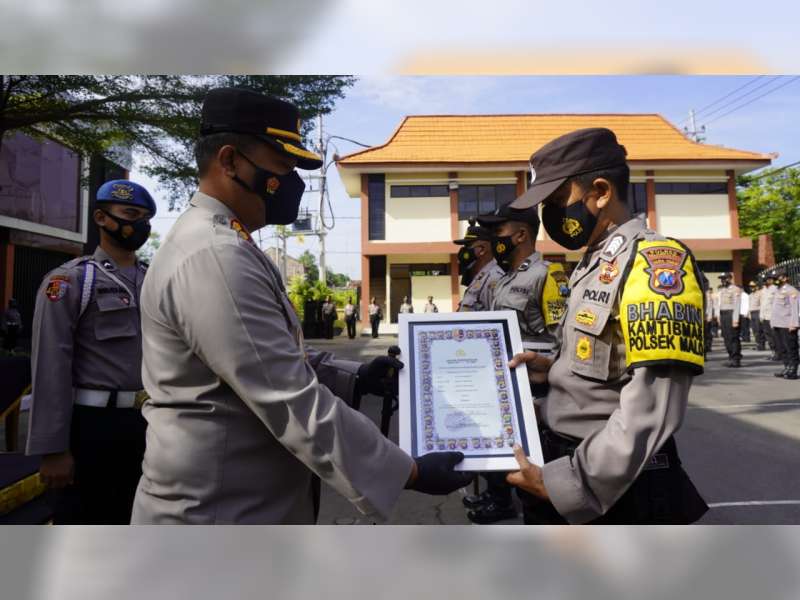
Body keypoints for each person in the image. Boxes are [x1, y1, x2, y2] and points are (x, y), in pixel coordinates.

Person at [131, 88, 472, 524]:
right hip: (217, 515)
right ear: (230, 161)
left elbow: (269, 355)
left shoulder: (228, 245)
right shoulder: (215, 255)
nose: (291, 183)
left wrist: (354, 377)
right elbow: (286, 395)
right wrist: (407, 470)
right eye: (281, 167)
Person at [504, 127, 708, 524]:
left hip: (613, 487)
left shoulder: (655, 263)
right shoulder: (594, 261)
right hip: (568, 461)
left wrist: (568, 485)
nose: (549, 217)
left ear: (600, 191)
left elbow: (653, 406)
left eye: (558, 200)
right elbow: (605, 359)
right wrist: (552, 368)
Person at [24, 179, 155, 524]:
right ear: (101, 217)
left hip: (149, 424)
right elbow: (50, 365)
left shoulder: (156, 281)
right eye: (129, 214)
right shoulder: (69, 281)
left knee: (141, 524)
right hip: (92, 427)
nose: (139, 224)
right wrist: (53, 448)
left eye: (145, 217)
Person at [461, 202, 568, 525]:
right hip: (508, 386)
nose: (494, 239)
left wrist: (549, 377)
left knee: (539, 474)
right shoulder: (501, 279)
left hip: (538, 392)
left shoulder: (548, 275)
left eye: (499, 233)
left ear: (521, 235)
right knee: (513, 460)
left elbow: (564, 342)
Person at [451, 219, 508, 522]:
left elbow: (495, 329)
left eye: (467, 248)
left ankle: (501, 501)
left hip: (486, 374)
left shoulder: (495, 278)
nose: (463, 254)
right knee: (482, 439)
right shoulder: (479, 278)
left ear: (482, 248)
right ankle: (492, 492)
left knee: (493, 439)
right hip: (472, 371)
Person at [770, 272, 799, 379]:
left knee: (791, 348)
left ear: (786, 278)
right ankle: (787, 367)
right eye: (774, 278)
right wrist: (773, 322)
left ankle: (793, 370)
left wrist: (794, 324)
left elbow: (795, 308)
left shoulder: (791, 290)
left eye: (778, 277)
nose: (776, 280)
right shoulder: (777, 290)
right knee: (782, 348)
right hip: (778, 324)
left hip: (788, 324)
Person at [717, 272, 743, 367]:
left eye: (724, 278)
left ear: (729, 278)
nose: (723, 280)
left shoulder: (735, 289)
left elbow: (737, 305)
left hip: (731, 314)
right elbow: (718, 304)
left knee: (733, 338)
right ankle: (731, 357)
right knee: (726, 337)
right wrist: (719, 317)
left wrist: (735, 319)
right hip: (723, 315)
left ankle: (736, 359)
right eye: (721, 279)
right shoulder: (721, 290)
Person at [760, 270, 779, 360]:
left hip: (773, 316)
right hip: (765, 317)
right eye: (765, 280)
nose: (766, 281)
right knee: (768, 336)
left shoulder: (776, 289)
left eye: (767, 279)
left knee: (775, 336)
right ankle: (773, 352)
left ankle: (779, 353)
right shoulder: (764, 290)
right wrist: (761, 315)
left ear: (771, 280)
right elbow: (762, 303)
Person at [749, 279, 766, 351]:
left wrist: (762, 314)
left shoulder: (760, 293)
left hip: (758, 312)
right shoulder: (750, 295)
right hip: (752, 313)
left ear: (757, 286)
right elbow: (749, 305)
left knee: (759, 330)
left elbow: (762, 304)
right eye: (750, 286)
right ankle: (758, 344)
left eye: (753, 286)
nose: (751, 287)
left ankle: (761, 345)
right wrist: (749, 313)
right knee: (754, 330)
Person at [702, 275, 714, 355]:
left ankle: (706, 350)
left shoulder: (707, 293)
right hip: (699, 317)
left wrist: (709, 316)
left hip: (704, 317)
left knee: (706, 335)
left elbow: (709, 305)